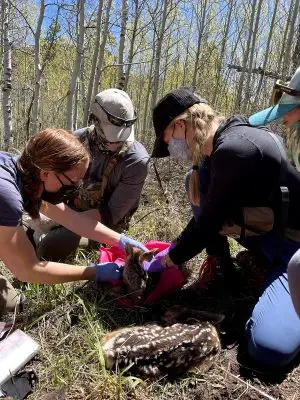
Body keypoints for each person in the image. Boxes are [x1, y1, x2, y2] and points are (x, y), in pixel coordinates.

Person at [151, 85, 300, 369]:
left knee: (268, 349)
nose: (171, 149)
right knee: (195, 181)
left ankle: (274, 281)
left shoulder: (236, 148)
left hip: (293, 251)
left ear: (181, 126)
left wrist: (170, 258)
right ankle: (225, 267)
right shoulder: (215, 149)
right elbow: (208, 215)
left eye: (169, 139)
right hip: (269, 236)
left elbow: (207, 224)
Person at [0, 128, 147, 315]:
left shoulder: (24, 171)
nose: (73, 188)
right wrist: (94, 272)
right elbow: (27, 269)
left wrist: (122, 241)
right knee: (11, 306)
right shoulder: (7, 196)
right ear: (46, 173)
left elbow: (74, 220)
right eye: (71, 181)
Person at [36, 89, 149, 261]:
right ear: (95, 121)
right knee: (25, 227)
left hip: (105, 226)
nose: (117, 142)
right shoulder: (77, 140)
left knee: (50, 245)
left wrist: (61, 220)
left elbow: (111, 215)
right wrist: (49, 213)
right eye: (112, 136)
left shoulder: (136, 161)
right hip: (71, 210)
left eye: (120, 137)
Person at [248, 66, 300, 320]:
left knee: (268, 346)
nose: (284, 122)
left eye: (290, 115)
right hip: (279, 238)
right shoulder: (290, 154)